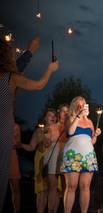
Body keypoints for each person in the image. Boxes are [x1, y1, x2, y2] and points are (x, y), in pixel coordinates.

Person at [0, 39, 59, 210]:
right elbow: (39, 85)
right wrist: (50, 69)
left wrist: (30, 51)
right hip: (3, 132)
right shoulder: (11, 78)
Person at [60, 96, 101, 213]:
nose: (81, 107)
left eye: (83, 105)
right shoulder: (70, 118)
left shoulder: (90, 122)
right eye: (79, 105)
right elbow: (70, 131)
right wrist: (78, 116)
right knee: (71, 186)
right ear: (74, 106)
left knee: (85, 187)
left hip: (88, 156)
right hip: (73, 155)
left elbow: (92, 142)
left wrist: (96, 135)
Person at [21, 109, 61, 213]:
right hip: (41, 161)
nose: (52, 117)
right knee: (41, 190)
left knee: (55, 190)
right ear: (45, 118)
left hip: (56, 159)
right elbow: (31, 147)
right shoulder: (39, 131)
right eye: (49, 115)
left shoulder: (59, 129)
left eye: (54, 116)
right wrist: (20, 144)